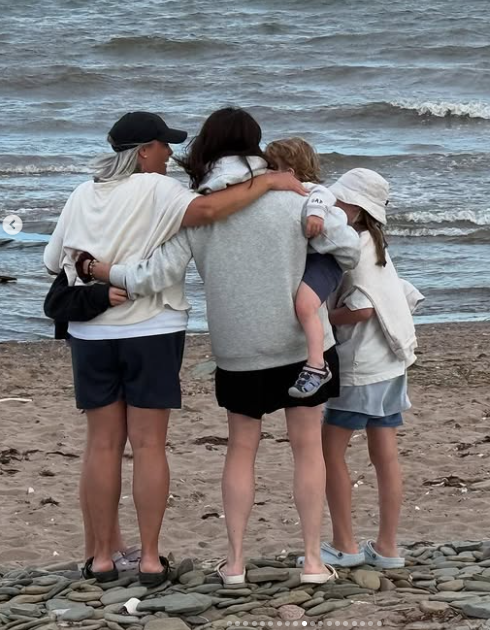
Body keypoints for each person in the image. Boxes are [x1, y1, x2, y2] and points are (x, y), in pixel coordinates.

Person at [86, 107, 361, 584]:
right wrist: (312, 275)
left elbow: (155, 275)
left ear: (208, 150)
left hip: (238, 351)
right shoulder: (294, 195)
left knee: (240, 450)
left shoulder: (196, 210)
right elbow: (349, 249)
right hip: (302, 346)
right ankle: (314, 561)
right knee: (307, 449)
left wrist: (100, 271)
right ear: (256, 146)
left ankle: (234, 563)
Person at [44, 110, 303, 583]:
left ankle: (102, 557)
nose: (170, 153)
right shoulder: (158, 189)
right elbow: (208, 210)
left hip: (91, 333)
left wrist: (94, 269)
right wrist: (268, 183)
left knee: (101, 445)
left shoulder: (82, 192)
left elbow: (52, 259)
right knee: (148, 445)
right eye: (163, 145)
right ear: (143, 151)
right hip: (150, 329)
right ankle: (147, 557)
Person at [320, 169, 424, 569]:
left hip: (363, 366)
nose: (332, 207)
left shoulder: (354, 247)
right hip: (392, 361)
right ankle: (388, 546)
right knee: (386, 455)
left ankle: (345, 543)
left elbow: (361, 308)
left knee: (331, 452)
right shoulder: (377, 242)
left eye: (339, 202)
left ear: (355, 209)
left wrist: (327, 317)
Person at [265, 137, 346, 398]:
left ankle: (316, 366)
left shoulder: (307, 190)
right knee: (300, 306)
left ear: (289, 172)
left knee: (305, 305)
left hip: (325, 260)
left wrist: (316, 214)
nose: (266, 173)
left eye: (271, 167)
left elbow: (324, 194)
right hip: (309, 259)